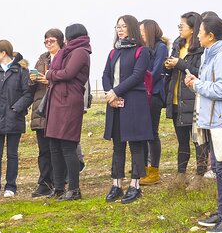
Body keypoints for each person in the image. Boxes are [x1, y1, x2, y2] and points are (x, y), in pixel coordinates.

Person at [185, 16, 222, 233]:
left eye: (200, 31)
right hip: (213, 120)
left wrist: (199, 83)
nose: (197, 35)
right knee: (219, 168)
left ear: (210, 36)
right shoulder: (210, 55)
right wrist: (195, 84)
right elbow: (209, 88)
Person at [103, 15, 152, 204]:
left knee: (136, 145)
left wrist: (116, 91)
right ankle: (116, 184)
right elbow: (106, 74)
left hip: (134, 102)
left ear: (131, 28)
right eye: (118, 26)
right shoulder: (113, 53)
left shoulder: (142, 51)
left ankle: (135, 185)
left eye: (123, 26)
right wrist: (110, 94)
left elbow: (137, 75)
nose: (120, 29)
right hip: (114, 103)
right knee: (118, 145)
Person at [44, 24, 92, 201]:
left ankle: (74, 189)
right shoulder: (68, 51)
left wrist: (50, 74)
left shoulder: (80, 52)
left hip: (69, 102)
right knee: (54, 146)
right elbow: (61, 73)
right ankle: (58, 187)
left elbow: (68, 73)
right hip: (57, 102)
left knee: (68, 146)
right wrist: (54, 73)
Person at [0, 40, 33, 199]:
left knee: (12, 154)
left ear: (3, 53)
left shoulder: (22, 71)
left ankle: (11, 186)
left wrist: (16, 109)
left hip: (14, 119)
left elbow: (27, 94)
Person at [164, 12, 209, 189]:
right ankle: (180, 174)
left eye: (182, 25)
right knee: (182, 140)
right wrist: (168, 66)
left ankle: (200, 176)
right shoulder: (177, 44)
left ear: (193, 29)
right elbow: (173, 71)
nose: (180, 28)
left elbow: (200, 72)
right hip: (176, 99)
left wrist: (180, 64)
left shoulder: (201, 49)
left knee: (198, 140)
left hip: (193, 100)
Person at [29, 29, 63, 197]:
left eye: (52, 41)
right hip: (40, 108)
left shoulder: (65, 57)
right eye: (46, 41)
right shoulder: (42, 59)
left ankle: (59, 181)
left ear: (60, 41)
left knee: (58, 148)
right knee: (43, 150)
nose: (49, 44)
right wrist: (32, 79)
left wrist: (49, 80)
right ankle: (44, 183)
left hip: (57, 108)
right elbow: (30, 87)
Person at [139, 20, 169, 185]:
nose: (140, 33)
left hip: (154, 94)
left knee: (152, 133)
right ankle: (142, 168)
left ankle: (154, 171)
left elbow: (156, 72)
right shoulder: (142, 48)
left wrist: (140, 78)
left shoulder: (160, 47)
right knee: (142, 133)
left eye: (142, 31)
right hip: (141, 95)